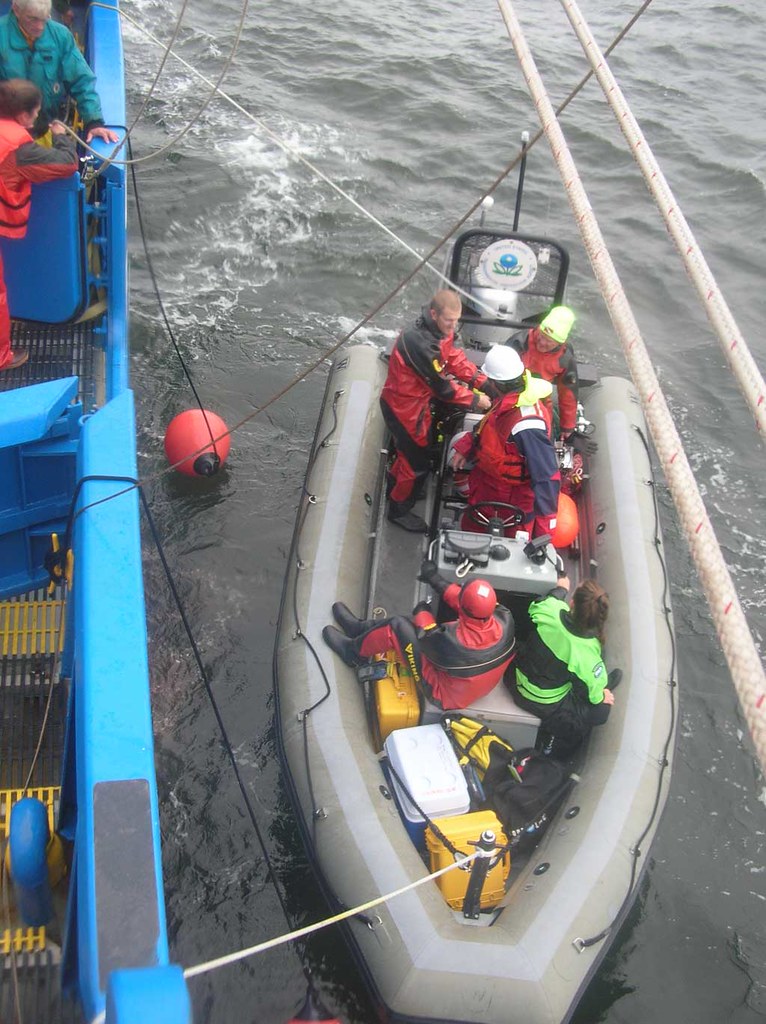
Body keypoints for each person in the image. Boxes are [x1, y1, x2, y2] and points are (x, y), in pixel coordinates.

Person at [322, 561, 516, 710]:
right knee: (406, 625)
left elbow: (426, 636)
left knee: (398, 627)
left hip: (444, 694)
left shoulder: (454, 642)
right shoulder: (504, 618)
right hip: (471, 683)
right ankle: (360, 629)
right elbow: (468, 606)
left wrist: (422, 611)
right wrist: (436, 580)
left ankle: (353, 654)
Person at [380, 288, 493, 533]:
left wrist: (480, 380)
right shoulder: (419, 342)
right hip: (404, 408)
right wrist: (476, 400)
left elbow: (452, 358)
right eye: (449, 321)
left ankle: (396, 485)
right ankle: (399, 509)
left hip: (415, 406)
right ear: (434, 313)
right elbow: (443, 388)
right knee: (417, 462)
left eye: (456, 321)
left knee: (410, 454)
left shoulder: (441, 331)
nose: (453, 326)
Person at [0, 77, 78, 370]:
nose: (35, 119)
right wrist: (61, 137)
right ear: (22, 115)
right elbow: (65, 164)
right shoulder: (18, 147)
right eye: (34, 113)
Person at [451, 344, 560, 539]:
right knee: (471, 531)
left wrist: (544, 535)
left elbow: (547, 479)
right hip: (485, 487)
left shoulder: (528, 426)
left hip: (512, 504)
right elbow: (488, 426)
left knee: (509, 550)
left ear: (497, 383)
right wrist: (466, 445)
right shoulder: (511, 400)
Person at [509, 573, 621, 757]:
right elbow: (595, 699)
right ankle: (554, 742)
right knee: (601, 711)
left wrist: (561, 589)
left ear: (572, 603)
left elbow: (538, 606)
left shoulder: (549, 610)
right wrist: (603, 694)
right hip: (545, 704)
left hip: (514, 680)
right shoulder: (589, 655)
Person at [0, 0, 118, 143]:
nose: (39, 27)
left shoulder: (60, 36)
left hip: (44, 130)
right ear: (16, 10)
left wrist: (94, 122)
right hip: (5, 135)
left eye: (44, 19)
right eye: (33, 19)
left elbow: (81, 80)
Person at [509, 305, 578, 440]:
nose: (541, 342)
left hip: (541, 403)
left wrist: (567, 427)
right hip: (511, 397)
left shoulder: (565, 358)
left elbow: (568, 394)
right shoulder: (520, 342)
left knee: (544, 437)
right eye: (541, 335)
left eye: (548, 341)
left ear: (560, 343)